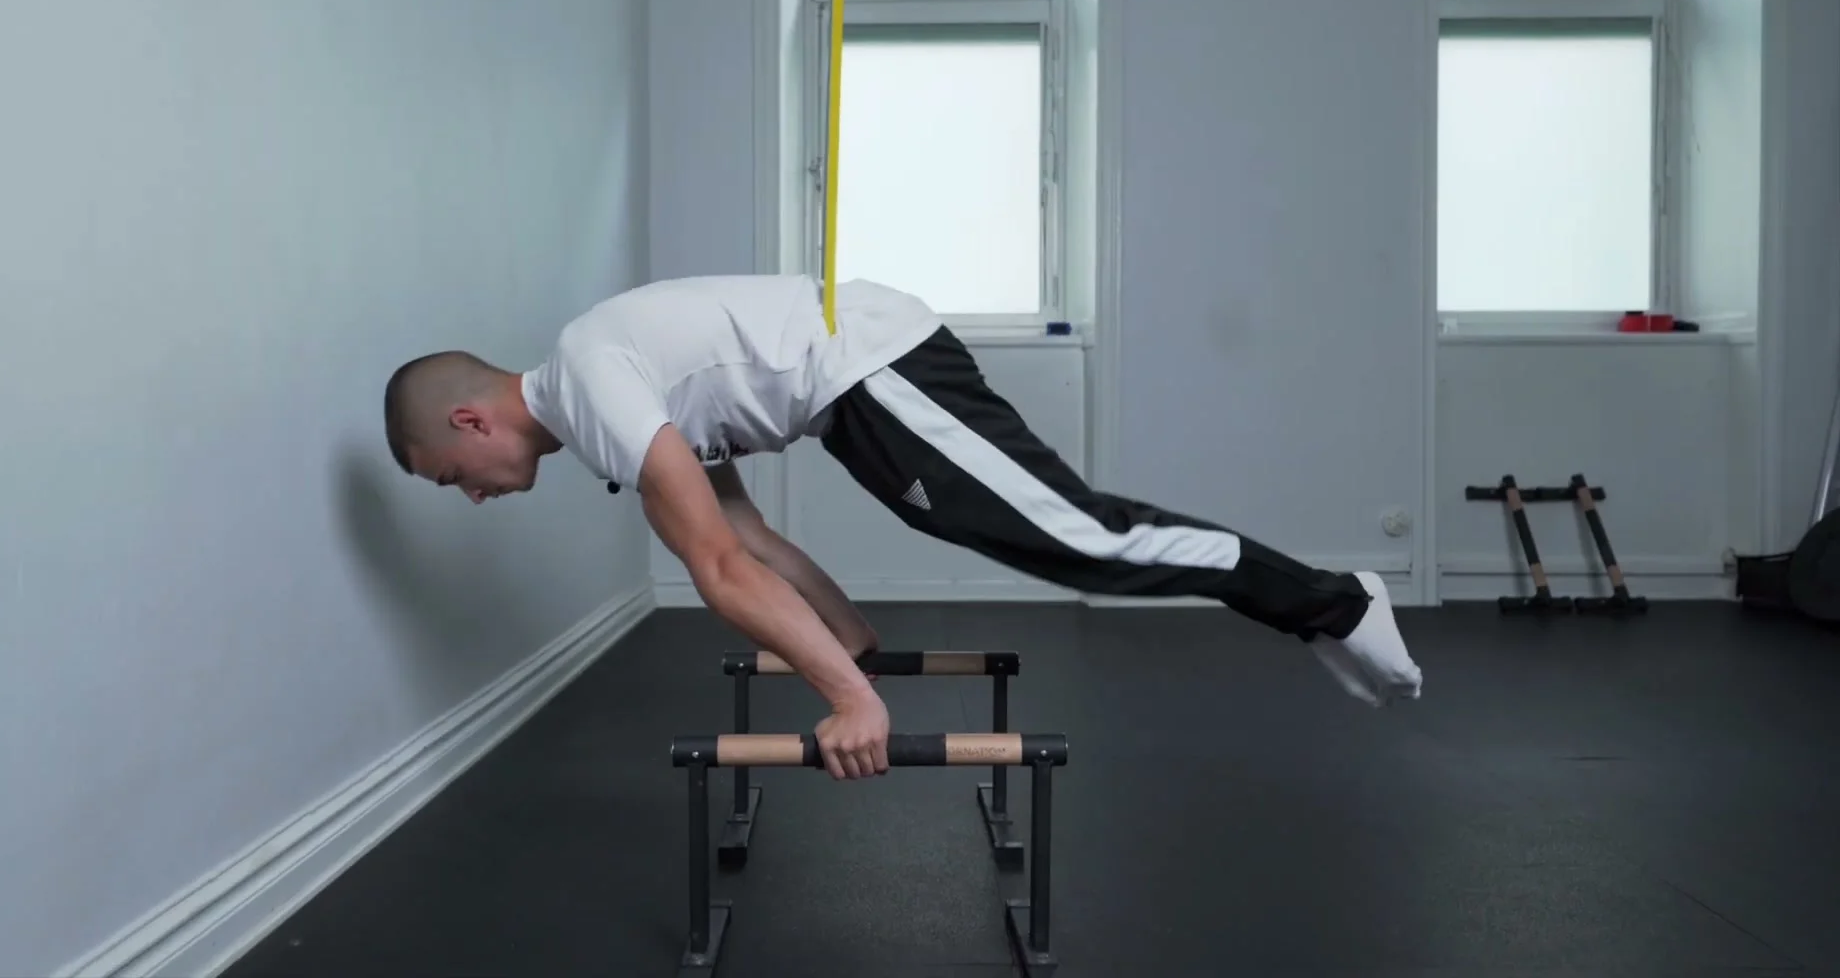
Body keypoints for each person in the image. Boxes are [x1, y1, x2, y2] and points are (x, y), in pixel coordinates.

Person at [383, 275, 1423, 780]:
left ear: (472, 421)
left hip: (874, 369)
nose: (467, 492)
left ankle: (1334, 599)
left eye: (450, 475)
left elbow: (711, 566)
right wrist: (848, 638)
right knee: (1045, 539)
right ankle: (1322, 609)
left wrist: (853, 700)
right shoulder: (595, 395)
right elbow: (745, 538)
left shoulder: (592, 383)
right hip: (855, 398)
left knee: (1084, 542)